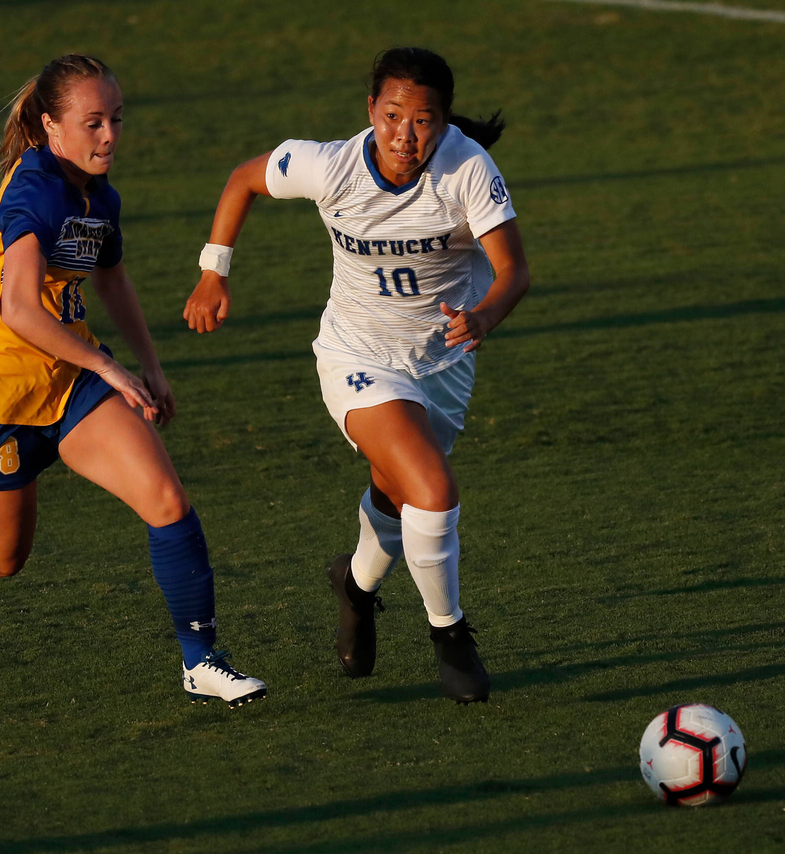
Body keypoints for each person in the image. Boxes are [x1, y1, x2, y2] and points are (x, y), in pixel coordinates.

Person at [0, 54, 266, 708]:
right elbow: (18, 308)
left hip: (68, 388)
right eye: (92, 122)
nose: (109, 136)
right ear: (50, 126)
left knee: (167, 502)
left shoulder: (99, 194)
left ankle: (200, 658)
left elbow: (111, 276)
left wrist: (149, 366)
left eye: (116, 120)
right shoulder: (35, 188)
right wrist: (109, 366)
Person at [183, 47, 529, 704]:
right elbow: (243, 179)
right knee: (431, 487)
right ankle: (450, 635)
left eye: (423, 120)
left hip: (443, 365)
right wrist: (213, 270)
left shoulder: (469, 169)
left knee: (398, 495)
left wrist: (483, 319)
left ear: (445, 121)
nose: (406, 134)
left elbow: (515, 271)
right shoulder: (328, 164)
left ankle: (355, 585)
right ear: (370, 110)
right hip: (356, 357)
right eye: (393, 115)